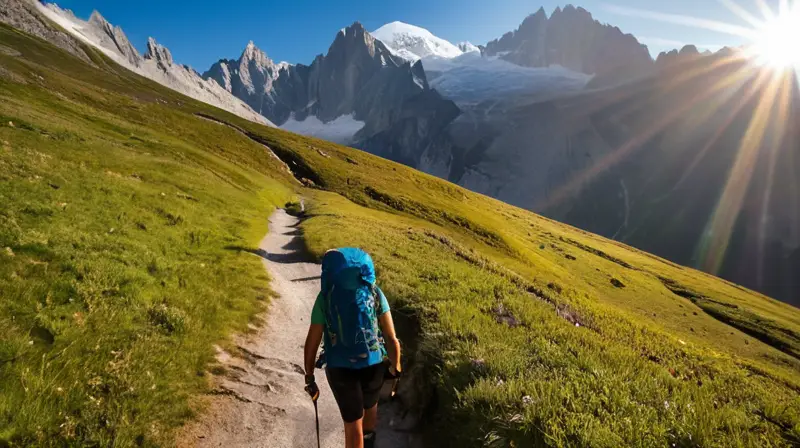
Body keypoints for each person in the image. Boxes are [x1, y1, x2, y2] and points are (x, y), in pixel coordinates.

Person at [303, 248, 402, 448]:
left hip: (340, 367)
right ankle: (368, 441)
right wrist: (396, 367)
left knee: (352, 424)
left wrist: (309, 375)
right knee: (370, 408)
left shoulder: (326, 297)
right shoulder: (375, 292)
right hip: (374, 364)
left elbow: (312, 342)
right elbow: (392, 338)